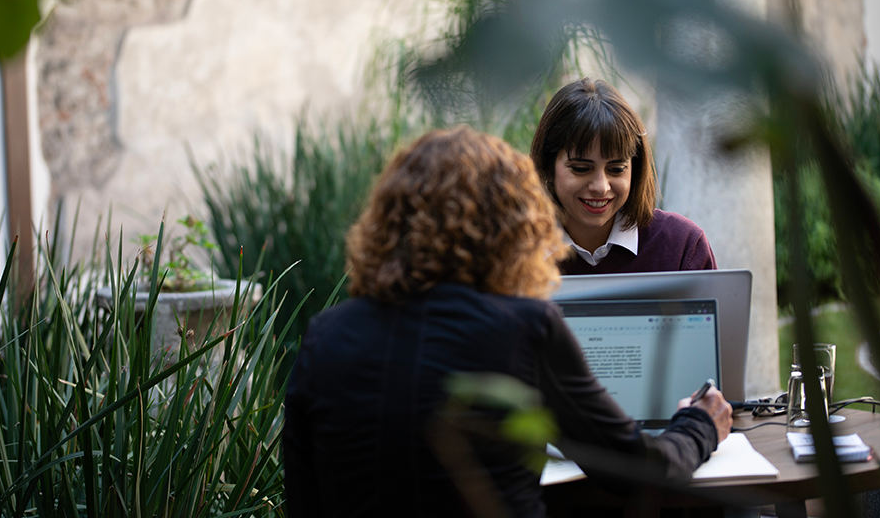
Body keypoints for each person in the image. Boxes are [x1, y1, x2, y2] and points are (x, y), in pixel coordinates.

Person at [283, 126, 732, 518]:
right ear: (513, 224)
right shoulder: (525, 328)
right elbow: (636, 471)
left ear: (387, 220)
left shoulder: (325, 336)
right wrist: (699, 425)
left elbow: (303, 499)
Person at [530, 78, 717, 275]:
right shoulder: (512, 248)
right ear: (547, 167)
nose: (601, 187)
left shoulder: (681, 246)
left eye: (616, 169)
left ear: (634, 169)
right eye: (581, 168)